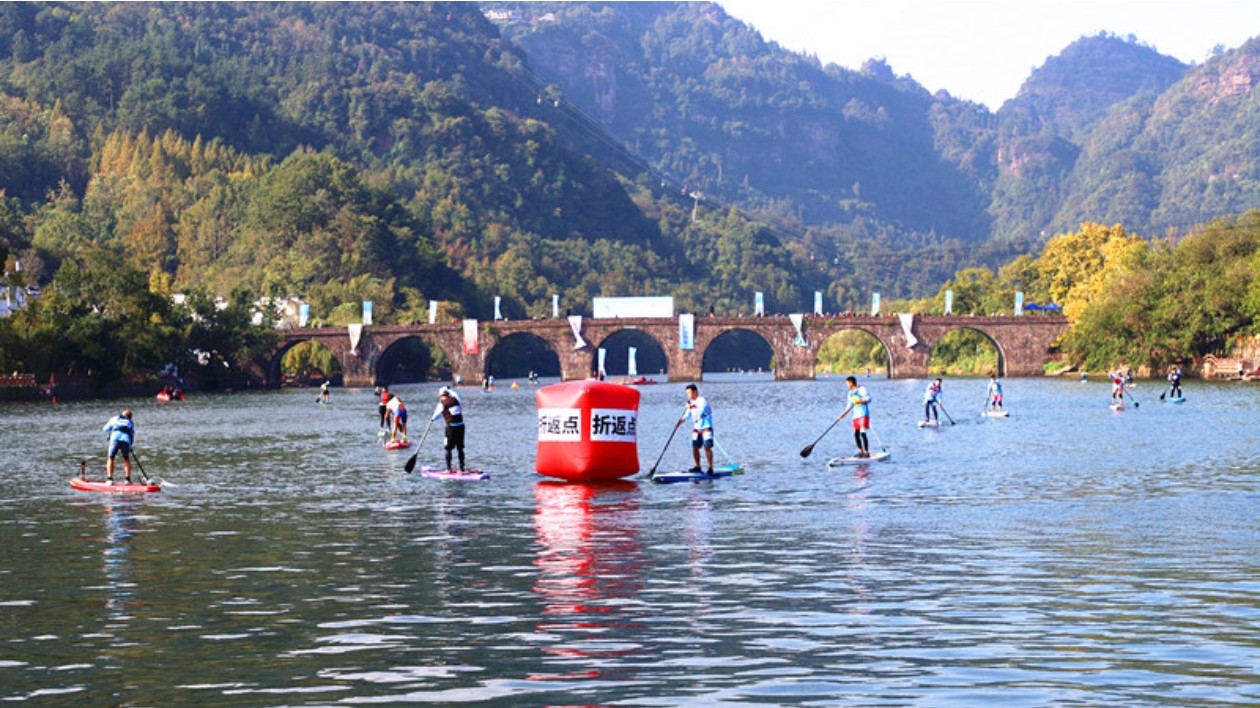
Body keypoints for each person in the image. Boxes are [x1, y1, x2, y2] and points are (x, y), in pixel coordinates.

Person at [673, 383, 714, 473]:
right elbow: (687, 416)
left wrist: (691, 406)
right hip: (697, 428)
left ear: (695, 392)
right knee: (695, 446)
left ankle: (710, 467)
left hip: (706, 427)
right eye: (687, 393)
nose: (688, 395)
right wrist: (679, 422)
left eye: (689, 393)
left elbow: (700, 411)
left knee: (707, 447)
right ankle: (698, 466)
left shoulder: (702, 400)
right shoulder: (690, 403)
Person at [836, 376, 872, 458]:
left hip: (863, 414)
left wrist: (861, 401)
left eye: (847, 383)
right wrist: (843, 415)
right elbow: (850, 405)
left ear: (851, 382)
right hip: (855, 415)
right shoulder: (850, 393)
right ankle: (861, 451)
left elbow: (869, 399)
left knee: (863, 433)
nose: (847, 385)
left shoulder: (861, 389)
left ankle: (866, 452)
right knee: (856, 434)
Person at [432, 387, 466, 471]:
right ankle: (462, 468)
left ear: (440, 395)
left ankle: (448, 469)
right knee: (460, 448)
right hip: (461, 426)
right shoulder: (456, 399)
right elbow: (455, 394)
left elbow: (436, 415)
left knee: (448, 448)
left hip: (452, 427)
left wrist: (432, 419)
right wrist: (449, 390)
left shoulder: (442, 404)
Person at [103, 410, 135, 484]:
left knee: (111, 458)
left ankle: (110, 479)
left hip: (115, 438)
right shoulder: (130, 422)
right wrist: (130, 445)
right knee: (126, 458)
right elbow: (132, 434)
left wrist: (112, 429)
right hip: (126, 440)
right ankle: (127, 479)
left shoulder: (115, 418)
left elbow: (105, 429)